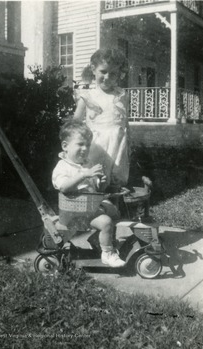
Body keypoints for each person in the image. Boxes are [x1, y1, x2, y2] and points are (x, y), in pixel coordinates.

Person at [52, 121, 125, 268]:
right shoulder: (63, 167)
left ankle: (97, 240)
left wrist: (100, 182)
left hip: (87, 207)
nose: (85, 149)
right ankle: (107, 253)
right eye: (80, 144)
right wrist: (84, 175)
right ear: (65, 146)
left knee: (115, 212)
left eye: (88, 145)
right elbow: (64, 188)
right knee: (105, 222)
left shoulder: (87, 163)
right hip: (74, 213)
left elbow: (94, 187)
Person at [73, 48, 130, 190]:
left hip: (118, 144)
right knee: (96, 180)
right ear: (93, 69)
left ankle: (114, 209)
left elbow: (125, 122)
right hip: (96, 145)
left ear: (119, 75)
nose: (107, 77)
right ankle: (96, 208)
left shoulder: (121, 96)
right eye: (103, 72)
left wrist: (129, 143)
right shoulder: (87, 97)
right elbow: (75, 124)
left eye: (113, 74)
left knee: (116, 180)